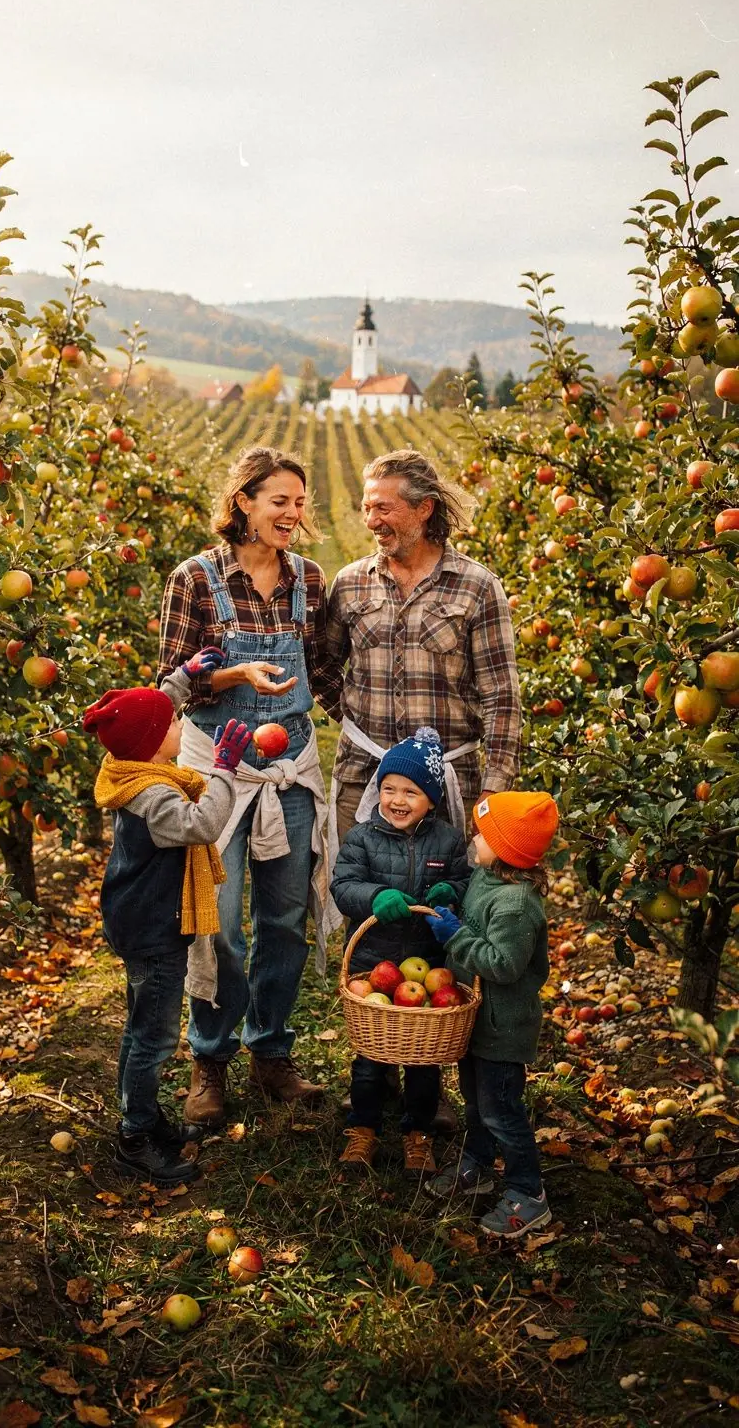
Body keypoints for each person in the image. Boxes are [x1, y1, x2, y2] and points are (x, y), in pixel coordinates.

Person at [325, 448, 522, 1131]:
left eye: (383, 506)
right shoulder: (351, 585)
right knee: (369, 916)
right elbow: (325, 665)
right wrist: (356, 734)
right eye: (366, 508)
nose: (371, 519)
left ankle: (430, 1076)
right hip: (367, 773)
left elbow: (502, 699)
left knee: (445, 922)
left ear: (424, 509)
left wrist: (489, 801)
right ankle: (372, 1067)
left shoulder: (475, 588)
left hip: (454, 781)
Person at [158, 445, 341, 1128]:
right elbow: (169, 685)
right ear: (243, 502)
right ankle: (210, 1057)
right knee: (220, 924)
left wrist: (375, 736)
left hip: (290, 768)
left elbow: (321, 674)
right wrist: (233, 677)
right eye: (279, 501)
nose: (293, 513)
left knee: (284, 923)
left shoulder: (310, 581)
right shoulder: (196, 579)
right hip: (220, 772)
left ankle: (270, 1050)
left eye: (300, 501)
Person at [83, 671, 252, 1183]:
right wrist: (223, 771)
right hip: (156, 929)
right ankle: (135, 1137)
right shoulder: (157, 795)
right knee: (153, 1038)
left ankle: (144, 1116)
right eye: (174, 720)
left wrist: (184, 679)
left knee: (140, 1030)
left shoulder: (127, 767)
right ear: (155, 746)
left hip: (138, 919)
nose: (179, 719)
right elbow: (201, 824)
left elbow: (149, 716)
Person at [331, 728, 471, 1175]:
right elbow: (343, 885)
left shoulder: (448, 841)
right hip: (375, 963)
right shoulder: (362, 836)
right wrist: (373, 896)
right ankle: (363, 1129)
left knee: (424, 1062)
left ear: (431, 798)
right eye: (389, 787)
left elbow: (467, 883)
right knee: (371, 1058)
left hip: (427, 966)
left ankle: (418, 1135)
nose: (397, 799)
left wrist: (452, 890)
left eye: (410, 791)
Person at [423, 790, 559, 1238]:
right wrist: (453, 907)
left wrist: (455, 937)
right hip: (473, 1020)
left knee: (502, 1109)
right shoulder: (487, 879)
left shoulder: (517, 905)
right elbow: (472, 913)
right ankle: (477, 1165)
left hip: (503, 1029)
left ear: (505, 849)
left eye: (483, 833)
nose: (473, 838)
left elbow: (503, 963)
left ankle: (529, 1191)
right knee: (477, 1103)